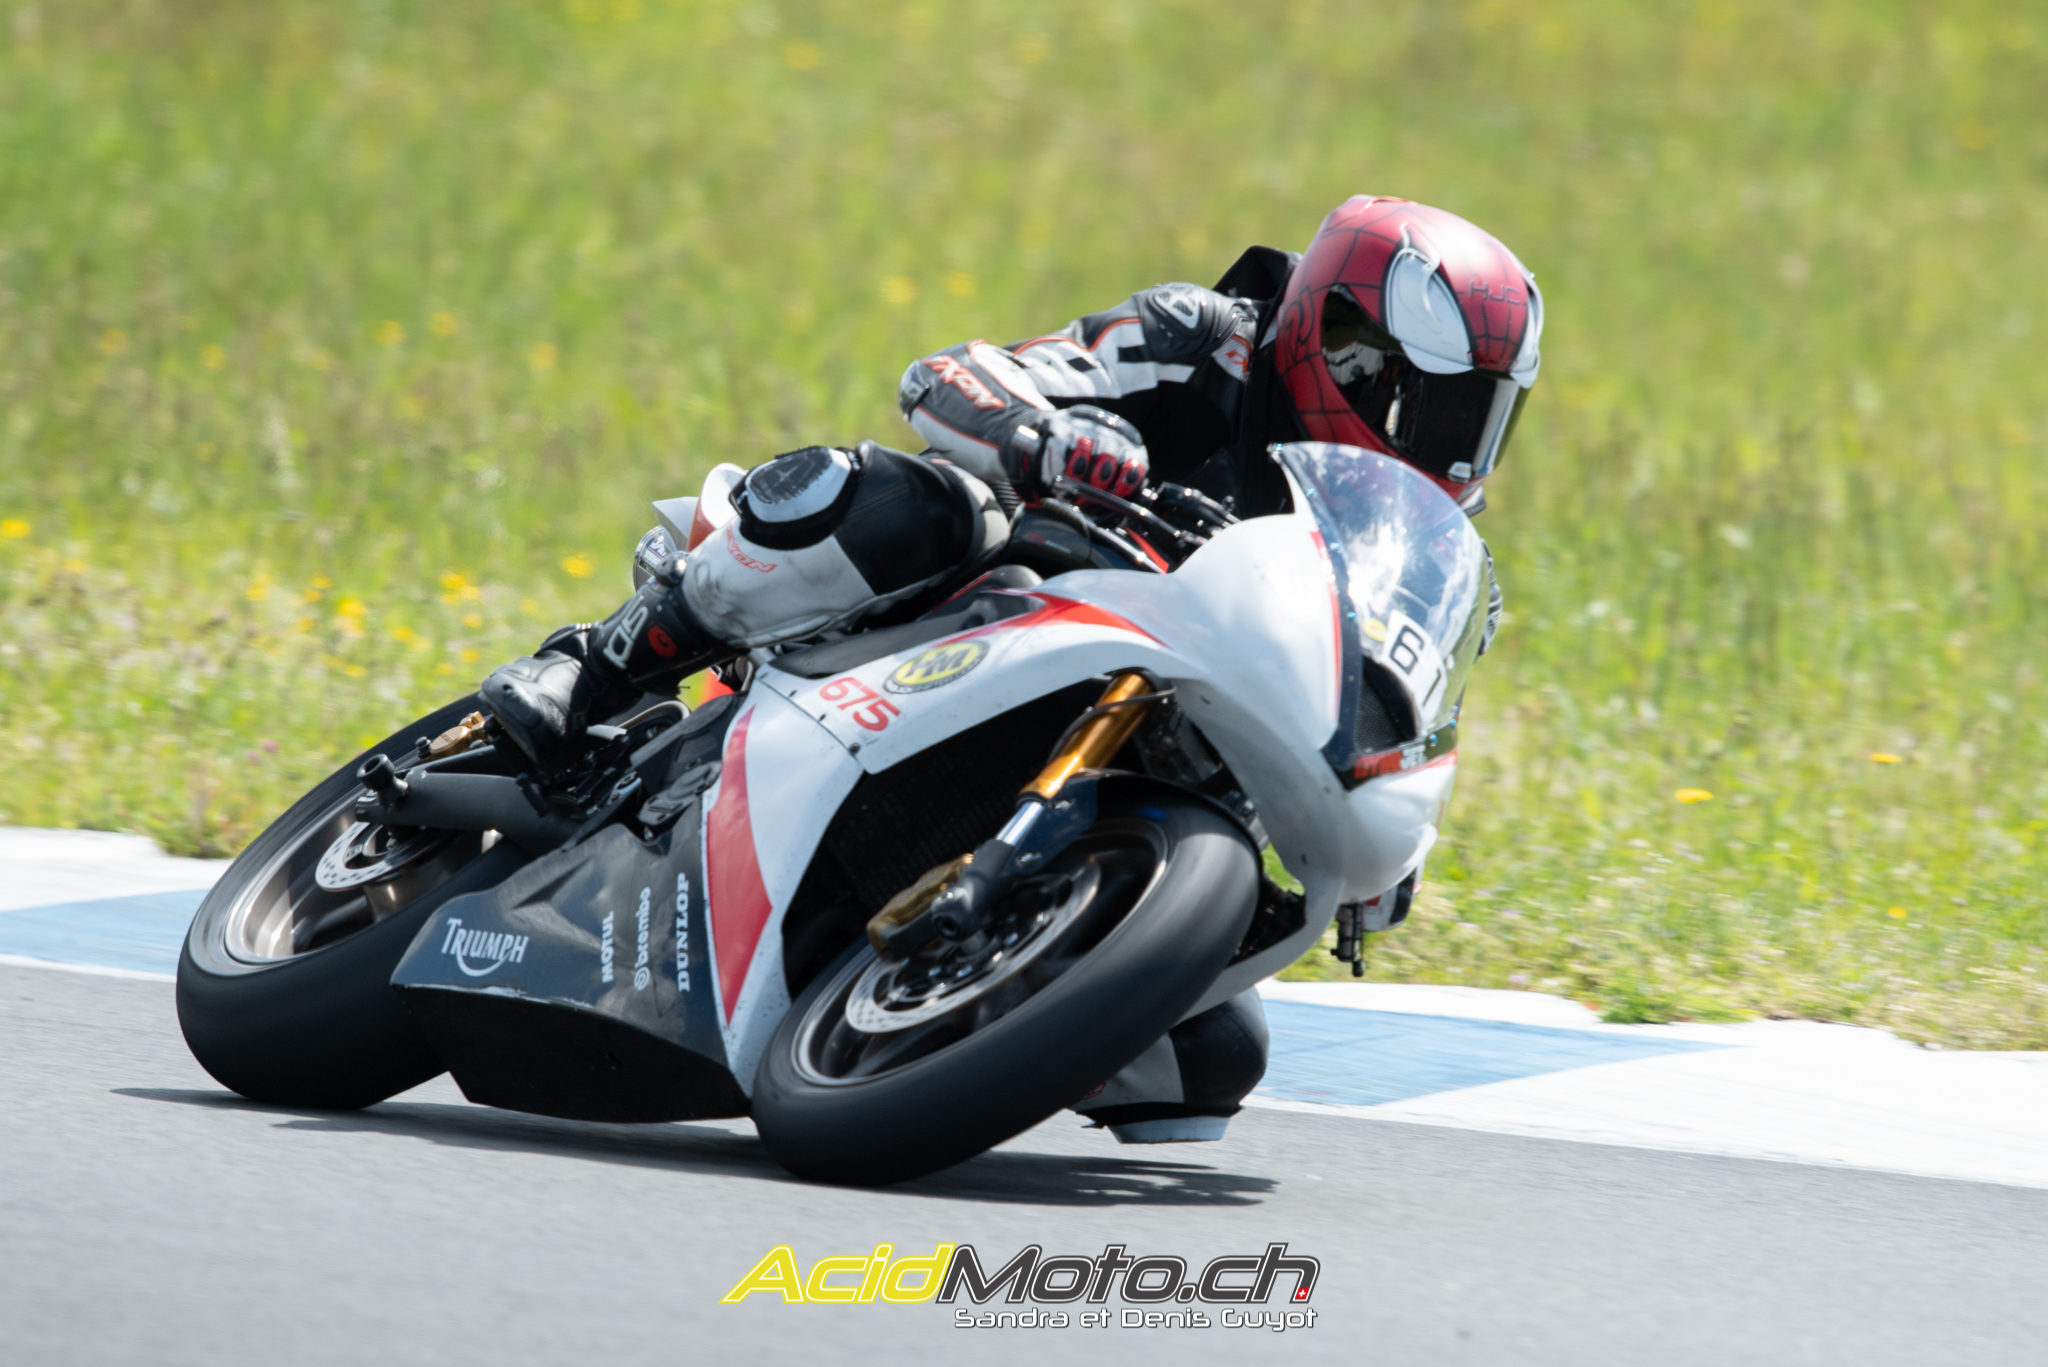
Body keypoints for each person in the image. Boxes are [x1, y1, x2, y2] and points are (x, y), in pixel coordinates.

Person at [480, 194, 1543, 767]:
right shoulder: (1201, 340)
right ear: (1341, 345)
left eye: (1476, 418)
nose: (1448, 445)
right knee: (932, 506)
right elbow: (949, 375)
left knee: (1209, 1059)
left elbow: (1385, 709)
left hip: (1144, 708)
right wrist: (1045, 440)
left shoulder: (1392, 533)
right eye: (1432, 406)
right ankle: (593, 669)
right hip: (997, 595)